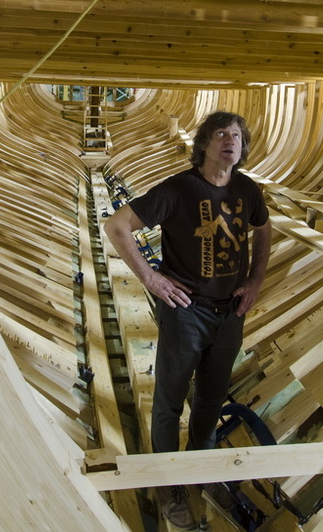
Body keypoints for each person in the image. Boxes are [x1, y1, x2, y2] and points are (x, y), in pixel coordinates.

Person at [105, 111, 271, 529]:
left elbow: (264, 229)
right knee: (169, 401)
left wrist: (254, 280)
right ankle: (168, 483)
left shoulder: (247, 190)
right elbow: (117, 225)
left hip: (229, 313)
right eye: (220, 134)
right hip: (186, 312)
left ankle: (202, 468)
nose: (229, 141)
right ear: (203, 145)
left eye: (236, 135)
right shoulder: (179, 189)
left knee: (211, 400)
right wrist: (152, 278)